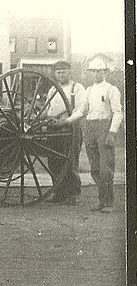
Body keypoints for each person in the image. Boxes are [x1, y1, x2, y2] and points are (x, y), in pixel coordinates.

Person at [60, 56, 122, 213]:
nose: (96, 74)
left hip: (104, 127)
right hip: (90, 128)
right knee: (94, 167)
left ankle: (109, 203)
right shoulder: (89, 90)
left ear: (105, 72)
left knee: (105, 168)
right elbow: (82, 110)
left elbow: (117, 113)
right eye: (93, 71)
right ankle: (102, 201)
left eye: (99, 71)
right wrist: (68, 120)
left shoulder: (111, 90)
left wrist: (112, 132)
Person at [41, 60, 86, 204]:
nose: (61, 75)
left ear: (69, 72)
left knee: (70, 161)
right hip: (53, 128)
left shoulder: (77, 88)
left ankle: (73, 195)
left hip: (69, 128)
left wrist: (66, 121)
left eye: (63, 72)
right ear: (55, 74)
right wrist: (36, 117)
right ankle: (59, 193)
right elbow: (48, 109)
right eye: (58, 72)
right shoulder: (53, 89)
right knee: (54, 161)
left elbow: (80, 110)